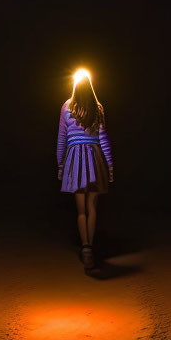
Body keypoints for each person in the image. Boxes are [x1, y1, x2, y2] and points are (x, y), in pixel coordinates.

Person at [56, 68, 114, 270]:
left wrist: (61, 165)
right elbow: (103, 139)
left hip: (74, 159)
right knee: (92, 207)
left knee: (80, 209)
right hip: (95, 158)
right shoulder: (97, 108)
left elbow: (62, 139)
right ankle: (91, 249)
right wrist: (110, 165)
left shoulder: (66, 107)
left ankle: (86, 247)